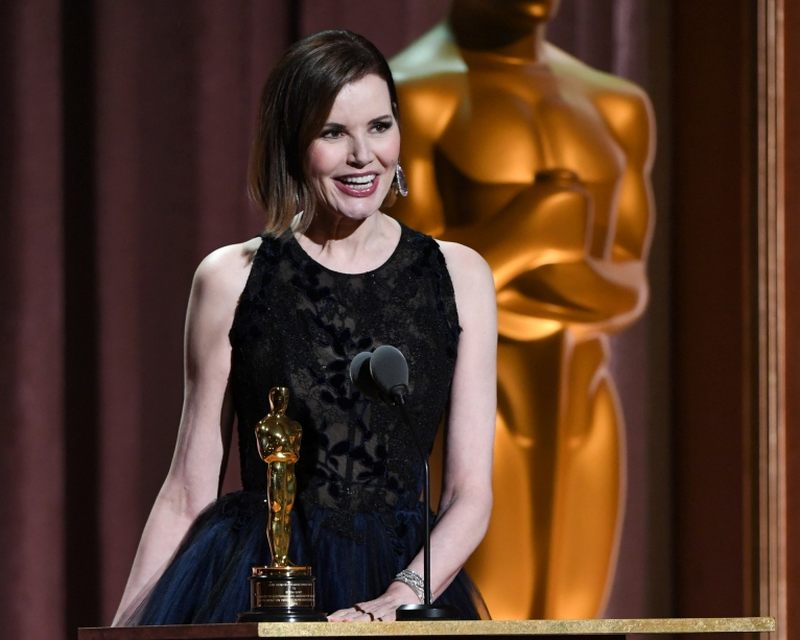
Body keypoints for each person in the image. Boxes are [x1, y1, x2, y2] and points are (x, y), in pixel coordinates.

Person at [112, 29, 497, 625]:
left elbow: (469, 495)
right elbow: (188, 491)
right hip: (263, 582)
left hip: (401, 583)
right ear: (292, 145)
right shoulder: (231, 278)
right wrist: (122, 631)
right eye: (333, 133)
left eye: (379, 126)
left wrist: (400, 596)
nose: (363, 155)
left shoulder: (459, 275)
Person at [390, 0, 654, 619]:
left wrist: (515, 264)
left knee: (577, 616)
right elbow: (406, 286)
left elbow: (628, 283)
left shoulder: (616, 106)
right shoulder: (413, 97)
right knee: (489, 610)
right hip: (471, 398)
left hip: (585, 398)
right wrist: (530, 233)